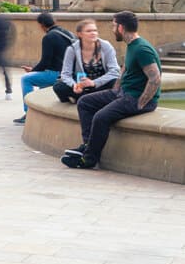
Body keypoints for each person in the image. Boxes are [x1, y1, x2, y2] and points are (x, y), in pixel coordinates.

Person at [63, 11, 161, 169]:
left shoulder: (142, 49)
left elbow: (155, 78)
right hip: (124, 93)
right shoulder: (132, 45)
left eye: (114, 26)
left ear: (121, 28)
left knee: (101, 117)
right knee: (85, 102)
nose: (112, 29)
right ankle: (88, 146)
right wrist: (115, 90)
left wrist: (142, 103)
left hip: (136, 98)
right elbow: (125, 69)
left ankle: (88, 160)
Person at [15, 12, 74, 125]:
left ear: (41, 25)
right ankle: (40, 113)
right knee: (42, 83)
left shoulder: (49, 37)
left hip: (56, 74)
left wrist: (32, 71)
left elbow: (45, 62)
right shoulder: (68, 34)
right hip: (69, 73)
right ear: (54, 21)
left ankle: (29, 113)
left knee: (26, 79)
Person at [53, 18, 120, 104]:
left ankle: (84, 98)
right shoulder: (72, 49)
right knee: (58, 87)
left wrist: (93, 83)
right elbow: (65, 74)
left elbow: (114, 71)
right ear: (80, 34)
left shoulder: (106, 46)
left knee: (116, 83)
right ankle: (92, 98)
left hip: (100, 84)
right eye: (89, 31)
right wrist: (74, 85)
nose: (93, 33)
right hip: (81, 85)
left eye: (95, 30)